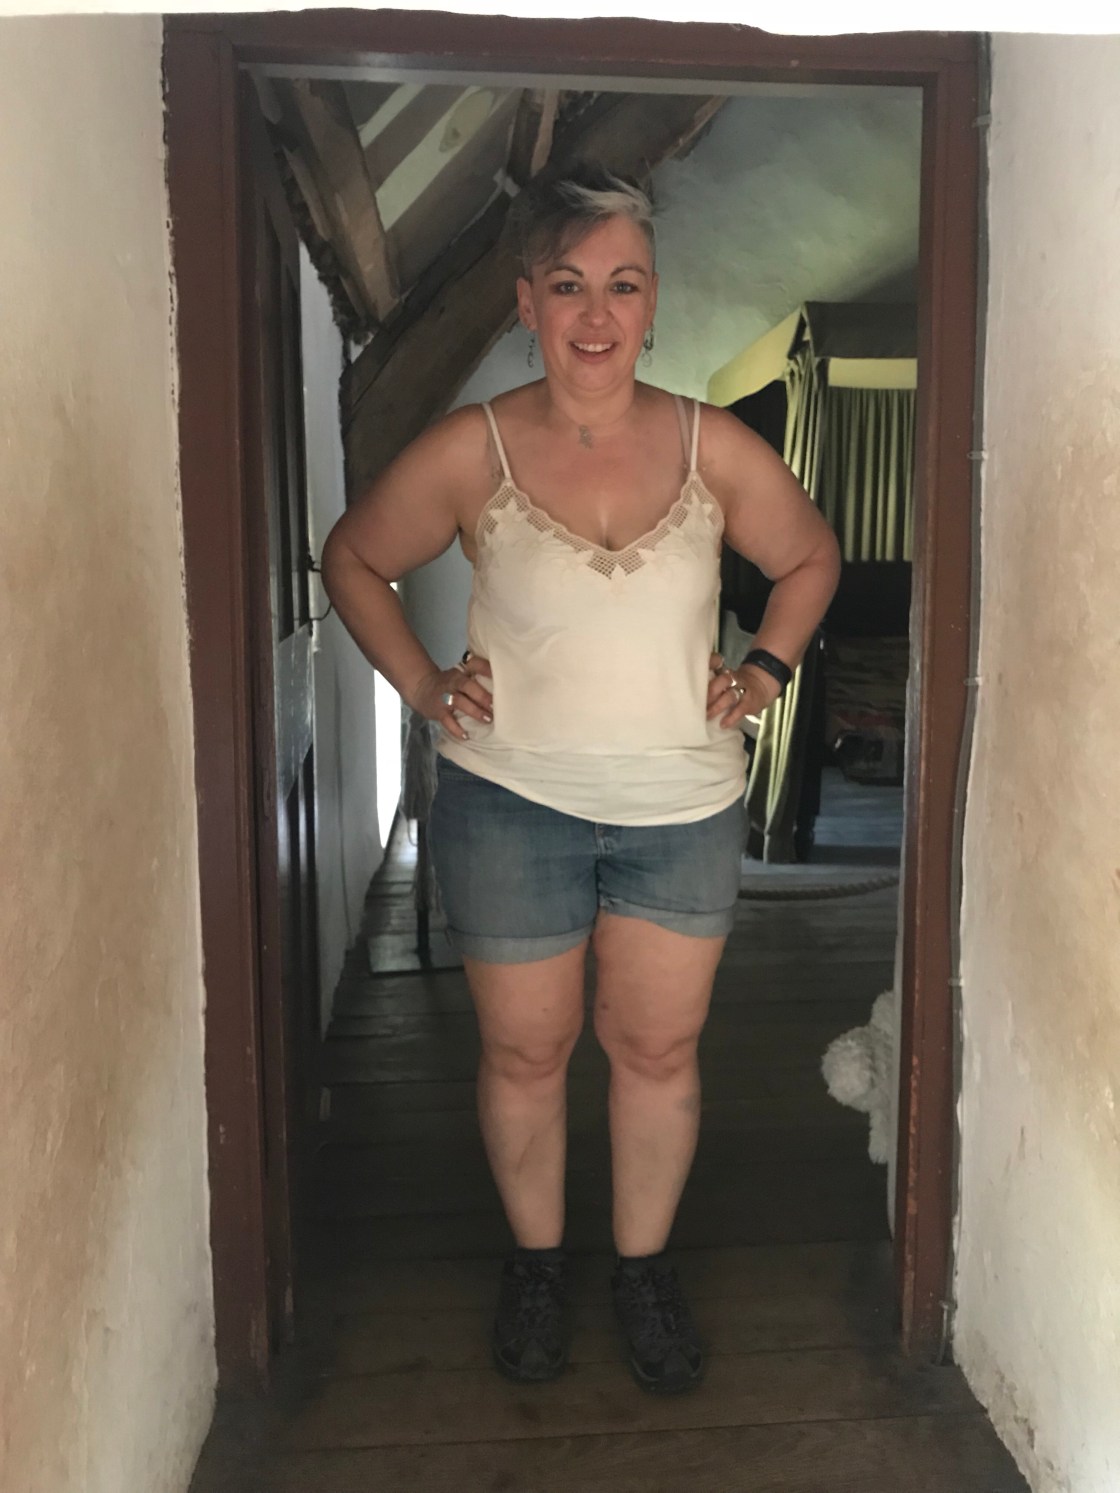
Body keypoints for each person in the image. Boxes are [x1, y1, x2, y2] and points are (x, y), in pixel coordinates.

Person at [322, 163, 840, 1395]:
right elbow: (351, 558)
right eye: (567, 285)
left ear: (652, 300)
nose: (595, 314)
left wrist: (763, 670)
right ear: (526, 302)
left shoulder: (712, 443)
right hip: (512, 805)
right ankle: (539, 1265)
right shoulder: (474, 448)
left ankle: (642, 1271)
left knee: (655, 1049)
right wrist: (422, 684)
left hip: (681, 810)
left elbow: (810, 555)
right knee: (526, 1052)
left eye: (622, 283)